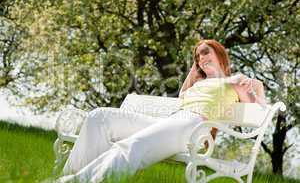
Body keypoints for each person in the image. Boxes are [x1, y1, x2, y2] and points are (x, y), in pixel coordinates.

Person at [57, 39, 266, 183]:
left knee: (133, 146)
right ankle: (70, 176)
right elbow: (183, 96)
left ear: (219, 52)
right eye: (197, 56)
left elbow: (259, 111)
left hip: (194, 127)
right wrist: (194, 71)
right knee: (99, 117)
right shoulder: (199, 84)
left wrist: (258, 88)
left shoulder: (235, 80)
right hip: (175, 120)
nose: (201, 57)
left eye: (205, 52)